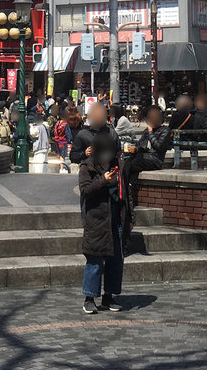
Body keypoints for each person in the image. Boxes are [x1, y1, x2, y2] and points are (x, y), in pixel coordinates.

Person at [78, 133, 125, 314]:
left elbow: (125, 194)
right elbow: (85, 190)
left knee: (116, 260)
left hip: (115, 217)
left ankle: (109, 296)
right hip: (96, 219)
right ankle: (89, 297)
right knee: (95, 259)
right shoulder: (87, 167)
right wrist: (102, 181)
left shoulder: (118, 167)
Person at [120, 105, 172, 248]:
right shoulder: (146, 131)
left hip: (154, 160)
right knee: (126, 163)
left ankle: (125, 190)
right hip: (142, 158)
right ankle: (124, 188)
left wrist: (150, 133)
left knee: (129, 165)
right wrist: (134, 148)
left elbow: (159, 147)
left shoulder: (165, 131)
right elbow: (141, 146)